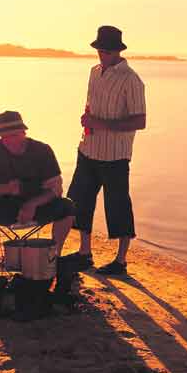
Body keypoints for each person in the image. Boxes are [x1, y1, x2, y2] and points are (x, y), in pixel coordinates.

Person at [65, 25, 146, 276]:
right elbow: (92, 105)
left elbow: (139, 121)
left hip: (115, 155)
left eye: (105, 51)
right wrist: (88, 118)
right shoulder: (94, 72)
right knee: (79, 202)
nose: (101, 55)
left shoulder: (131, 80)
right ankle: (84, 253)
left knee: (118, 205)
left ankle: (120, 261)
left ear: (116, 51)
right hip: (88, 148)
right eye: (99, 50)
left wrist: (102, 124)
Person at [0, 111, 75, 272]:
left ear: (24, 132)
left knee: (68, 206)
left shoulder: (42, 150)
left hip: (38, 207)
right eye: (5, 137)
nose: (10, 140)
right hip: (7, 205)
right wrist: (5, 188)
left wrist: (32, 203)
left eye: (15, 135)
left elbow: (56, 188)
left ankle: (54, 257)